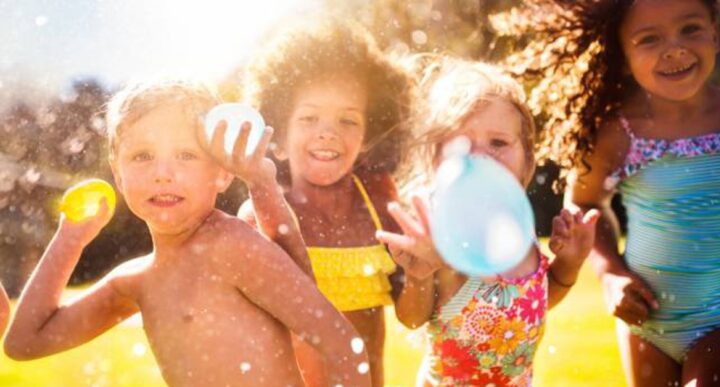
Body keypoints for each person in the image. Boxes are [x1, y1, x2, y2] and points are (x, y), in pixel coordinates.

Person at [3, 80, 371, 387]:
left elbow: (340, 341)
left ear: (223, 172)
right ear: (118, 174)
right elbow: (24, 343)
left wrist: (262, 184)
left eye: (186, 155)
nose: (163, 173)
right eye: (143, 156)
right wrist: (70, 240)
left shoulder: (231, 245)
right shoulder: (136, 281)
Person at [508, 1, 720, 385]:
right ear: (622, 53)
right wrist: (611, 274)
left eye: (690, 29)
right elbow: (584, 205)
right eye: (649, 39)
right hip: (645, 322)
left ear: (714, 32)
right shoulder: (617, 133)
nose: (675, 49)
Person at [376, 56, 599, 386]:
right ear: (436, 160)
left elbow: (537, 302)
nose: (480, 158)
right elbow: (412, 319)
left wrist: (570, 263)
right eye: (460, 146)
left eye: (498, 143)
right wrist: (420, 274)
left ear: (527, 159)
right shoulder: (440, 235)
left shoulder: (521, 236)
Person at [216, 17, 414, 387]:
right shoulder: (259, 215)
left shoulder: (380, 200)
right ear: (277, 133)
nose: (328, 132)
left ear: (369, 133)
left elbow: (414, 312)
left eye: (348, 120)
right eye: (309, 117)